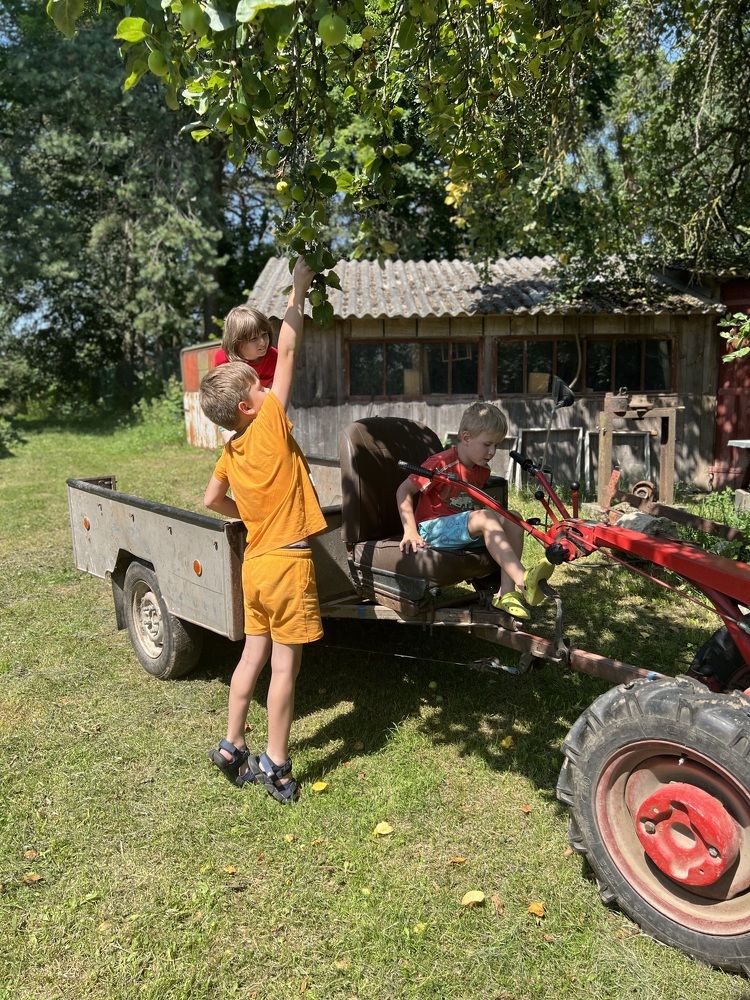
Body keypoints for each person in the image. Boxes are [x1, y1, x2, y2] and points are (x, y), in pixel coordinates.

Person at [199, 258, 325, 804]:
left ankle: (231, 744)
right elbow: (291, 349)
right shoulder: (270, 421)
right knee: (284, 671)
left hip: (254, 566)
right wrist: (298, 288)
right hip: (288, 564)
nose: (267, 384)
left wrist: (246, 514)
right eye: (258, 385)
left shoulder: (231, 448)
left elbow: (210, 500)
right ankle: (275, 762)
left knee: (251, 655)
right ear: (250, 406)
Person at [396, 401, 554, 619]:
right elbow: (403, 490)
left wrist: (499, 520)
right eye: (487, 444)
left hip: (461, 529)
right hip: (432, 529)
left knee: (514, 518)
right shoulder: (441, 463)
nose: (492, 452)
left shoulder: (481, 471)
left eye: (497, 446)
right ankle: (523, 580)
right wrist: (410, 531)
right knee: (486, 517)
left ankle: (506, 594)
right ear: (467, 437)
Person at [213, 305, 279, 444]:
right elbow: (223, 398)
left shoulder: (274, 357)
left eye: (264, 334)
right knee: (236, 446)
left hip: (264, 411)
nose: (263, 342)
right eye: (254, 339)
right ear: (236, 342)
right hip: (234, 414)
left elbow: (275, 393)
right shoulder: (223, 359)